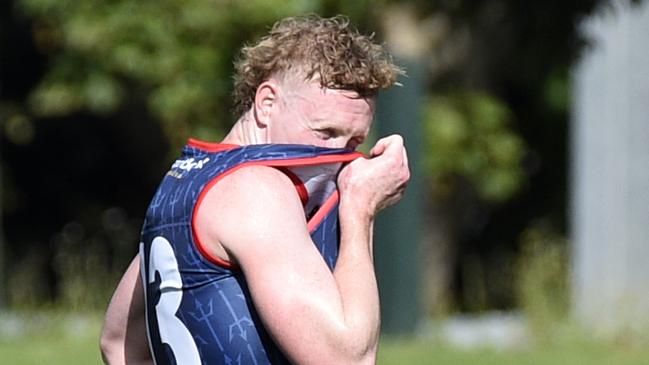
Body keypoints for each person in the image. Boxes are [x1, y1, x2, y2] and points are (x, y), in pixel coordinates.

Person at [100, 14, 409, 365]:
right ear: (266, 103)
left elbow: (119, 340)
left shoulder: (187, 180)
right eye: (324, 133)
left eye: (354, 140)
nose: (339, 156)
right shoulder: (256, 191)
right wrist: (360, 208)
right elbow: (347, 360)